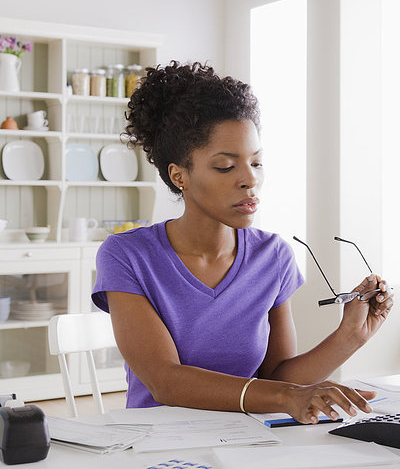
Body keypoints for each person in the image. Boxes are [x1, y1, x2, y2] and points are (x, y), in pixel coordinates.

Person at [92, 61, 394, 424]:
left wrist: (350, 337)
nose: (249, 180)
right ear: (179, 176)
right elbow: (164, 382)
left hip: (250, 440)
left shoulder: (273, 255)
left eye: (256, 163)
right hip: (159, 443)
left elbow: (276, 379)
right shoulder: (128, 255)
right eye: (225, 166)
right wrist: (288, 396)